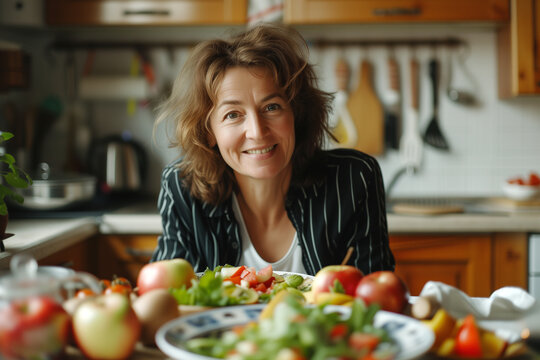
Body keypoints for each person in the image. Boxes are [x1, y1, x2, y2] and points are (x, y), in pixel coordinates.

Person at [151, 24, 395, 276]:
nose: (257, 131)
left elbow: (375, 298)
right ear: (209, 132)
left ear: (296, 114)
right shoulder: (182, 188)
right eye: (233, 114)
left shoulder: (353, 180)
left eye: (272, 107)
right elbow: (166, 297)